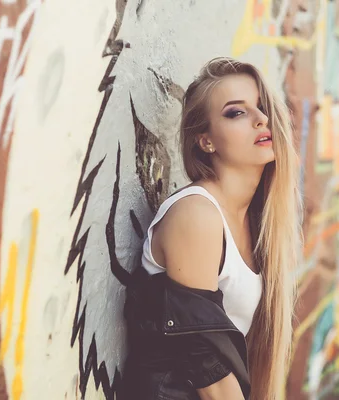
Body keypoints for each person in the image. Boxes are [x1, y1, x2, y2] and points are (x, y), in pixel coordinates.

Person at [121, 57, 302, 400]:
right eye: (236, 113)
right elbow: (206, 368)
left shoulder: (258, 223)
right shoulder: (197, 215)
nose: (262, 120)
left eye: (262, 108)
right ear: (206, 141)